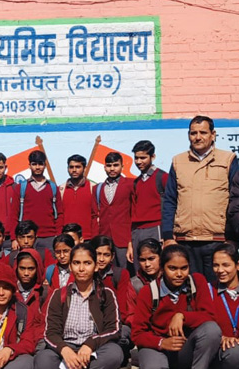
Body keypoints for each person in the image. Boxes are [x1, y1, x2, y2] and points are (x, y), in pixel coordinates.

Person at [131, 244, 221, 369]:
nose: (179, 274)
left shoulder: (197, 282)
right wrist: (162, 342)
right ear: (162, 268)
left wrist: (182, 316)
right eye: (172, 268)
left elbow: (210, 316)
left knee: (212, 330)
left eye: (184, 268)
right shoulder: (149, 292)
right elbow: (137, 334)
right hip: (159, 347)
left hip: (184, 346)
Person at [33, 243, 123, 369]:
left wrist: (90, 344)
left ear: (96, 266)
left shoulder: (106, 294)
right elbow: (50, 333)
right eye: (76, 263)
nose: (81, 269)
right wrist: (64, 349)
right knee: (42, 361)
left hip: (93, 351)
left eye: (87, 263)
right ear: (70, 266)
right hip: (66, 351)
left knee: (115, 354)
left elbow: (114, 330)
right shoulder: (59, 295)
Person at [162, 116, 238, 281]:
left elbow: (235, 201)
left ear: (213, 135)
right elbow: (170, 200)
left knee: (217, 289)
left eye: (203, 133)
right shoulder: (178, 161)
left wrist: (233, 238)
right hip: (185, 241)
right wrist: (167, 236)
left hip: (218, 240)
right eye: (193, 133)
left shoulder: (228, 160)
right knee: (192, 288)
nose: (198, 137)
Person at [91, 235, 136, 368]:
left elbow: (122, 309)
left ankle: (121, 356)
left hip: (115, 322)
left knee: (122, 335)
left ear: (112, 257)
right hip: (91, 323)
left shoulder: (120, 274)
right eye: (98, 254)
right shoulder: (86, 273)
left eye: (106, 255)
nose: (101, 259)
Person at [10, 150, 63, 253]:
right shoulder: (21, 188)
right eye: (34, 164)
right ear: (29, 166)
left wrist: (58, 235)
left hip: (49, 237)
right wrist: (14, 238)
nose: (37, 167)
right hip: (26, 237)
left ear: (45, 165)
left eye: (40, 164)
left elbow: (60, 214)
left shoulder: (53, 187)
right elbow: (14, 215)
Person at [129, 141, 168, 272]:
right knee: (139, 268)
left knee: (157, 267)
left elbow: (172, 205)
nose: (139, 161)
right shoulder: (136, 182)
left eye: (143, 158)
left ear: (153, 157)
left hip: (155, 228)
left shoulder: (162, 177)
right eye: (136, 158)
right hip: (137, 231)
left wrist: (167, 234)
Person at [93, 152, 135, 272]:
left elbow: (134, 213)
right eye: (109, 165)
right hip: (105, 237)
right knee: (105, 272)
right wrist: (96, 239)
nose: (112, 168)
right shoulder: (98, 188)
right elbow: (94, 215)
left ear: (122, 166)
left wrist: (131, 240)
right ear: (104, 167)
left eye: (116, 165)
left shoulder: (131, 184)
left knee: (125, 271)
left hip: (124, 239)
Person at [208, 243, 239, 369]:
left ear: (237, 265)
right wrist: (221, 337)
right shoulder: (208, 291)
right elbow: (203, 325)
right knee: (233, 351)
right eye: (216, 265)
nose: (220, 270)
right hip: (222, 354)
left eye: (226, 265)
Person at [59, 155, 97, 240]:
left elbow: (95, 215)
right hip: (67, 238)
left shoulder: (93, 188)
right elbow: (59, 215)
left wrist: (94, 237)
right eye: (71, 167)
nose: (74, 170)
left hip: (88, 238)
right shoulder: (61, 189)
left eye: (78, 167)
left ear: (85, 168)